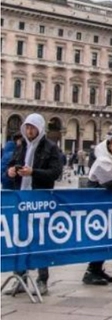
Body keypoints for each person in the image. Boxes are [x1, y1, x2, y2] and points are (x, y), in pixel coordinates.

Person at [5, 114, 63, 295]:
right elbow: (11, 165)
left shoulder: (51, 148)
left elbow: (55, 173)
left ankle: (42, 279)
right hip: (21, 198)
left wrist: (33, 172)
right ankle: (20, 278)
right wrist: (11, 171)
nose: (29, 131)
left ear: (39, 128)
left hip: (40, 199)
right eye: (27, 127)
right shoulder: (21, 146)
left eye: (32, 127)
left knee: (40, 240)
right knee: (20, 239)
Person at [85, 133, 112, 285]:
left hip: (105, 205)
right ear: (110, 146)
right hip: (97, 204)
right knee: (100, 238)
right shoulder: (104, 160)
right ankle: (90, 272)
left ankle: (97, 269)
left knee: (106, 238)